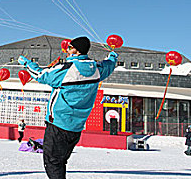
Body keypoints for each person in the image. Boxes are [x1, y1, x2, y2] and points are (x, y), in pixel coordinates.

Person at [18, 36, 117, 179]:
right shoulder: (96, 69)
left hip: (58, 124)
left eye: (70, 47)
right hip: (76, 128)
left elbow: (40, 75)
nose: (67, 50)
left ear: (76, 51)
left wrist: (26, 63)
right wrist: (113, 55)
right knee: (60, 161)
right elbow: (110, 65)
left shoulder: (67, 70)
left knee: (52, 163)